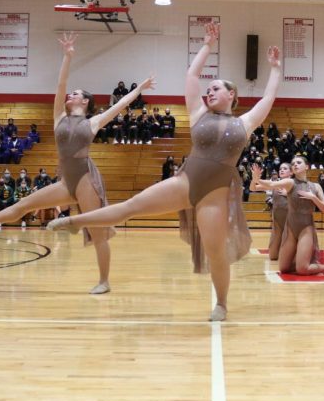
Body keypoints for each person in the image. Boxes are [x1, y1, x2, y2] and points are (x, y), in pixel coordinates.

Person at [49, 23, 281, 320]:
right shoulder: (197, 112)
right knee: (130, 207)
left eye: (216, 88)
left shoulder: (245, 123)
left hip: (215, 196)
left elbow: (268, 99)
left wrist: (274, 69)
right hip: (185, 182)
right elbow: (192, 76)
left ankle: (221, 303)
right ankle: (75, 220)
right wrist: (207, 45)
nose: (208, 91)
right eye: (208, 89)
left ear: (232, 94)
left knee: (216, 253)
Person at [0, 33, 154, 295]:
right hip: (67, 180)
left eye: (75, 93)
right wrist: (68, 56)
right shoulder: (58, 117)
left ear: (85, 101)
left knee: (98, 233)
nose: (70, 94)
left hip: (87, 178)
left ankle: (104, 280)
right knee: (23, 205)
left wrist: (139, 89)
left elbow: (121, 105)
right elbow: (60, 83)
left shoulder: (93, 122)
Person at [250, 155, 324, 276]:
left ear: (307, 166)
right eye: (293, 164)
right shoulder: (290, 182)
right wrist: (257, 178)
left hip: (306, 228)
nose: (295, 165)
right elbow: (271, 184)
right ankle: (300, 260)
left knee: (303, 269)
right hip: (291, 228)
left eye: (298, 162)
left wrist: (313, 198)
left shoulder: (316, 186)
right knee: (283, 268)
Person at [250, 162, 292, 261]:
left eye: (285, 169)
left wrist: (289, 194)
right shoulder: (275, 184)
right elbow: (253, 188)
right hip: (277, 221)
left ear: (291, 172)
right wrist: (254, 178)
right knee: (273, 256)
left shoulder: (294, 184)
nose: (281, 170)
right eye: (281, 168)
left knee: (288, 257)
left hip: (291, 221)